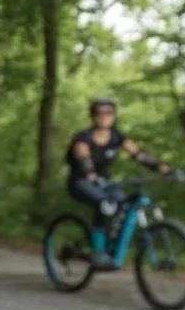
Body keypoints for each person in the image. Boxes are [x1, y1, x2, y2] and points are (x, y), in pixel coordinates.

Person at [66, 98, 173, 268]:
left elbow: (138, 154)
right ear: (93, 116)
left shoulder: (117, 136)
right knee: (105, 203)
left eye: (108, 112)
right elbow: (83, 157)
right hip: (81, 182)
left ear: (113, 116)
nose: (104, 116)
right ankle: (98, 252)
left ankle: (110, 245)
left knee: (124, 205)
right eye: (99, 112)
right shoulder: (83, 137)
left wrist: (161, 168)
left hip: (104, 182)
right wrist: (90, 173)